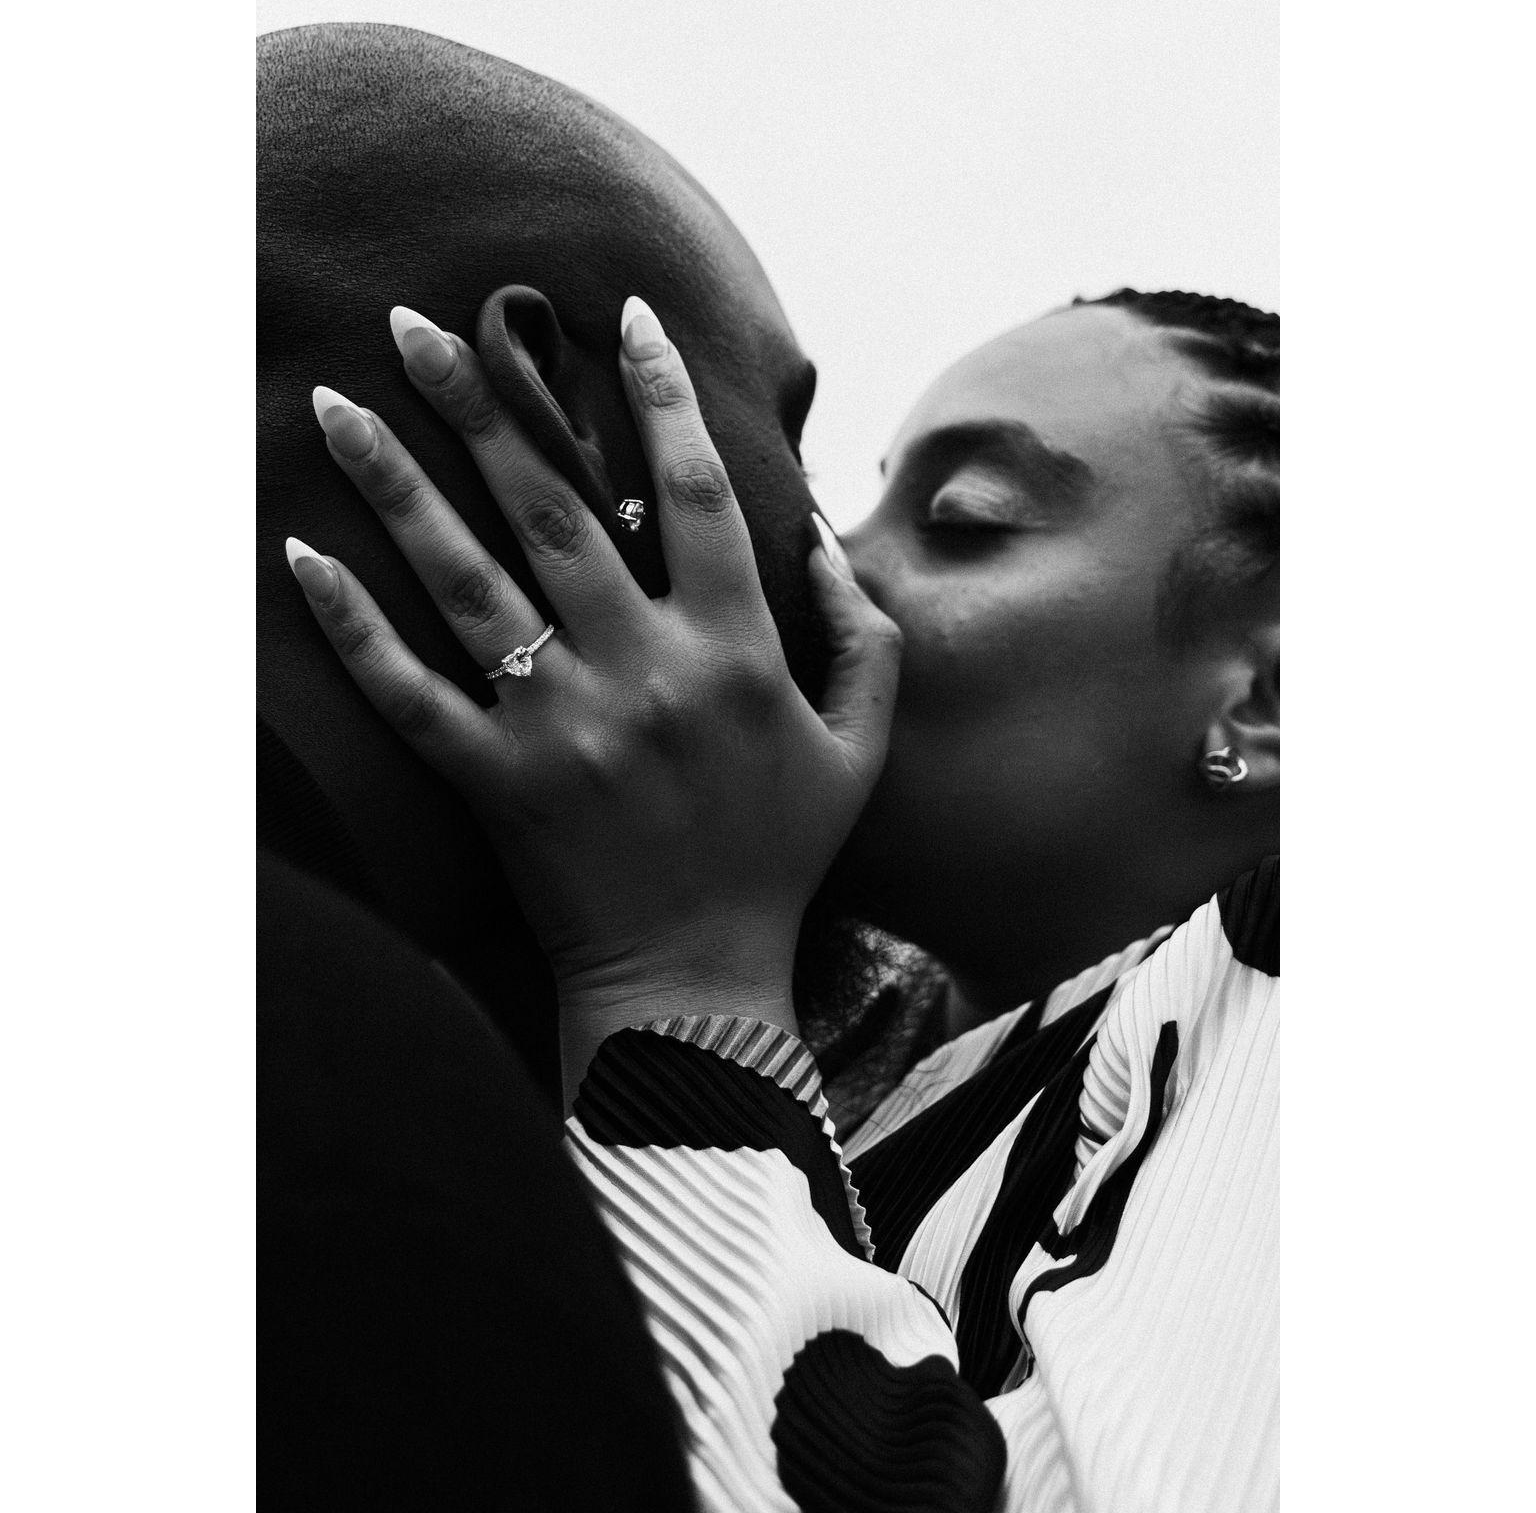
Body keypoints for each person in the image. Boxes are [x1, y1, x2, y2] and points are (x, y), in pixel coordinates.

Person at [289, 280, 1279, 1512]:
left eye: (964, 520)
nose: (828, 564)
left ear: (1266, 701)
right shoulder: (875, 1067)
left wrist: (678, 971)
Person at [258, 22, 838, 1509]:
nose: (850, 558)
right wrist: (691, 978)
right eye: (797, 439)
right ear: (581, 414)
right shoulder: (337, 1106)